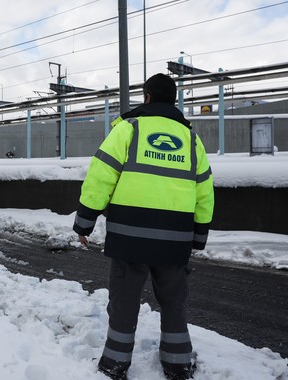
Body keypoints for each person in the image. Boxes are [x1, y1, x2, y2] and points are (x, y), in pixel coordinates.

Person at [73, 73, 214, 380]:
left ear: (147, 97)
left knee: (124, 302)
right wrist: (199, 235)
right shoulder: (191, 139)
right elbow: (204, 189)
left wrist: (85, 221)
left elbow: (101, 176)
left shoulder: (129, 129)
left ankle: (115, 364)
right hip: (175, 239)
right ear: (173, 100)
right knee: (174, 302)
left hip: (130, 236)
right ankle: (178, 364)